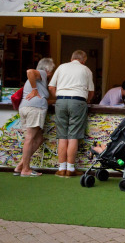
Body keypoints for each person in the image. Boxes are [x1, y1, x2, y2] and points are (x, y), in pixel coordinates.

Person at [48, 50, 94, 178]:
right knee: (73, 135)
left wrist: (59, 97)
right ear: (83, 60)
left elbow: (51, 87)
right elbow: (91, 91)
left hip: (61, 101)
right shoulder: (86, 70)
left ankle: (61, 169)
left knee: (62, 135)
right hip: (78, 101)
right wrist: (87, 100)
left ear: (71, 58)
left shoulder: (61, 67)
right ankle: (71, 169)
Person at [13, 58, 55, 177]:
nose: (51, 74)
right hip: (34, 109)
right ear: (47, 69)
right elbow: (29, 71)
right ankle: (25, 169)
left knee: (38, 138)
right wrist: (35, 90)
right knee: (30, 137)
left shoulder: (39, 80)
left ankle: (20, 165)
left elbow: (43, 98)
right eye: (51, 71)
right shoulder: (41, 73)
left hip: (26, 108)